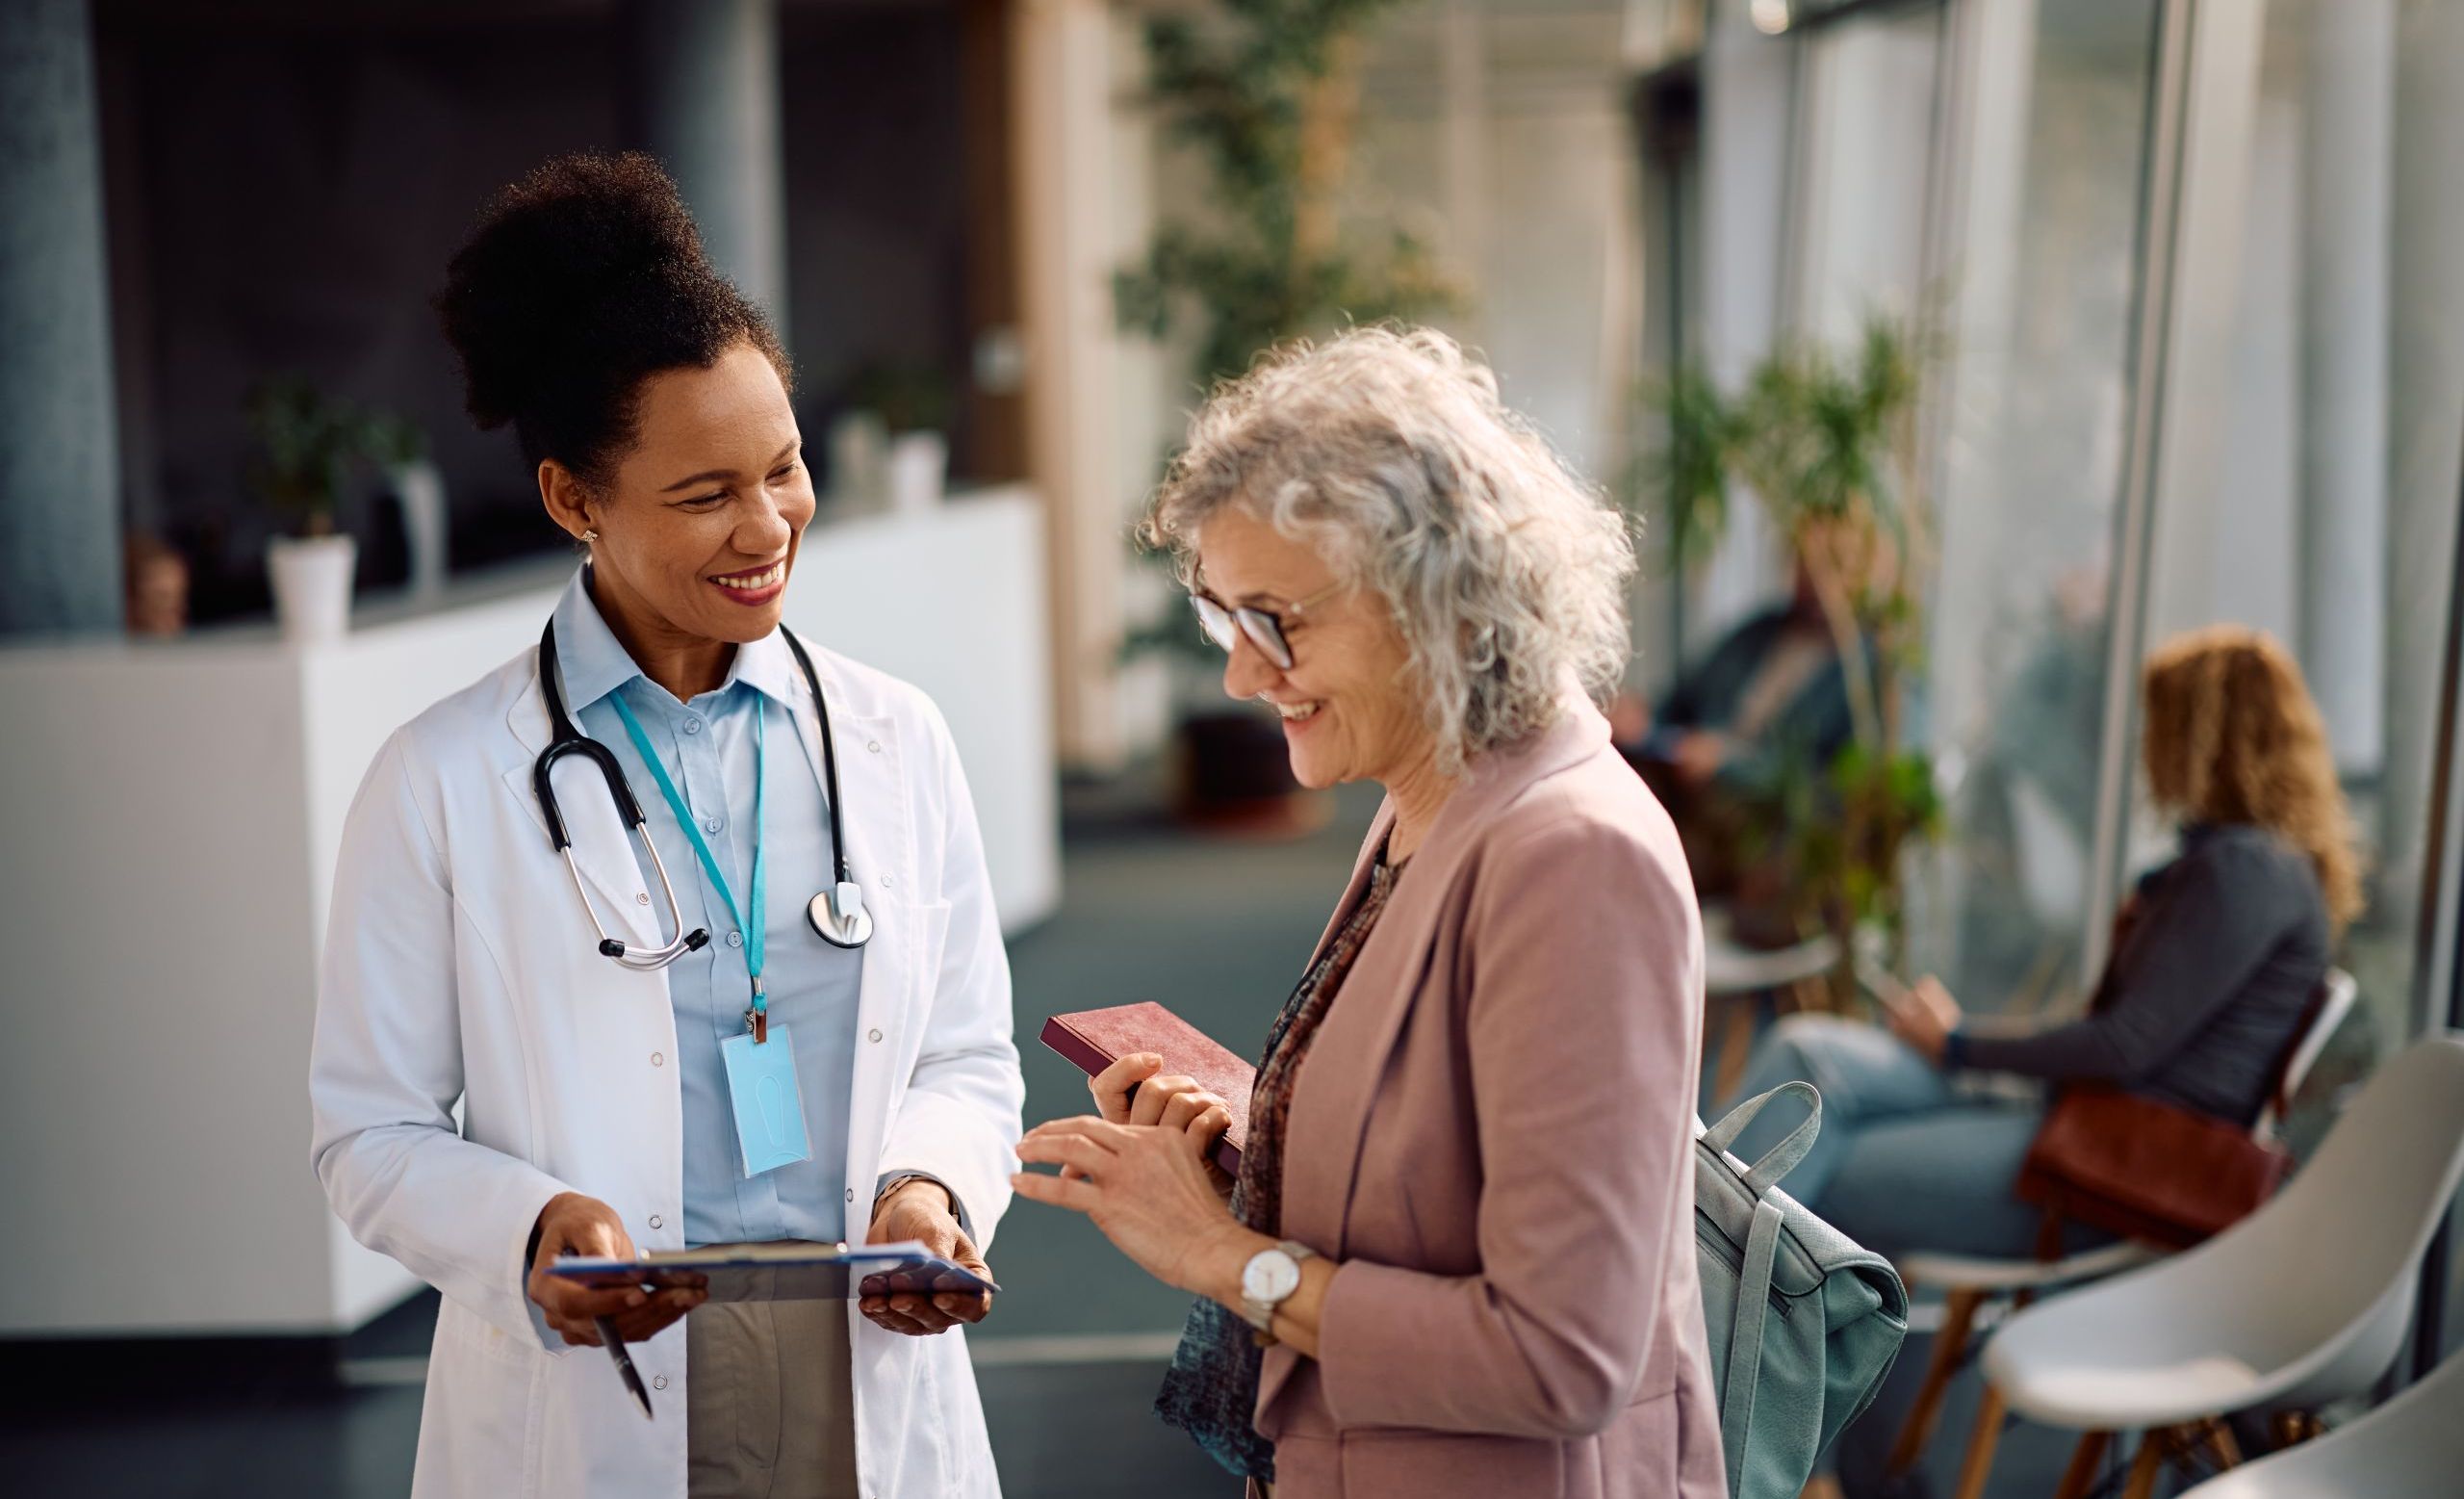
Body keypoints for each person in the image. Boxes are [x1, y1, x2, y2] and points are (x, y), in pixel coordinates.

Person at [308, 154, 1022, 1499]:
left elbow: (966, 1053)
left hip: (863, 1358)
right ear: (575, 500)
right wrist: (527, 1229)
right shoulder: (443, 776)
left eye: (786, 468)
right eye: (705, 494)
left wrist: (927, 1191)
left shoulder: (892, 739)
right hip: (601, 1383)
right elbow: (370, 1132)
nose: (768, 527)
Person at [1009, 327, 1724, 1498]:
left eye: (1274, 622)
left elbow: (1561, 1360)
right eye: (1221, 619)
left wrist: (1216, 1253)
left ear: (1438, 598)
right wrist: (1258, 1133)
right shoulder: (1427, 801)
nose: (1242, 676)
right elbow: (1441, 1156)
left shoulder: (1573, 859)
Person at [1722, 625, 2362, 1262]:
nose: (2147, 746)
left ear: (2203, 740)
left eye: (2161, 723)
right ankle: (1693, 1278)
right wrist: (1959, 1044)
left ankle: (1695, 1305)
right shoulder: (2246, 865)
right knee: (1807, 1053)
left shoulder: (2245, 872)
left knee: (1824, 1157)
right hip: (2077, 1112)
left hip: (2105, 1165)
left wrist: (1958, 1042)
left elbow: (2122, 1045)